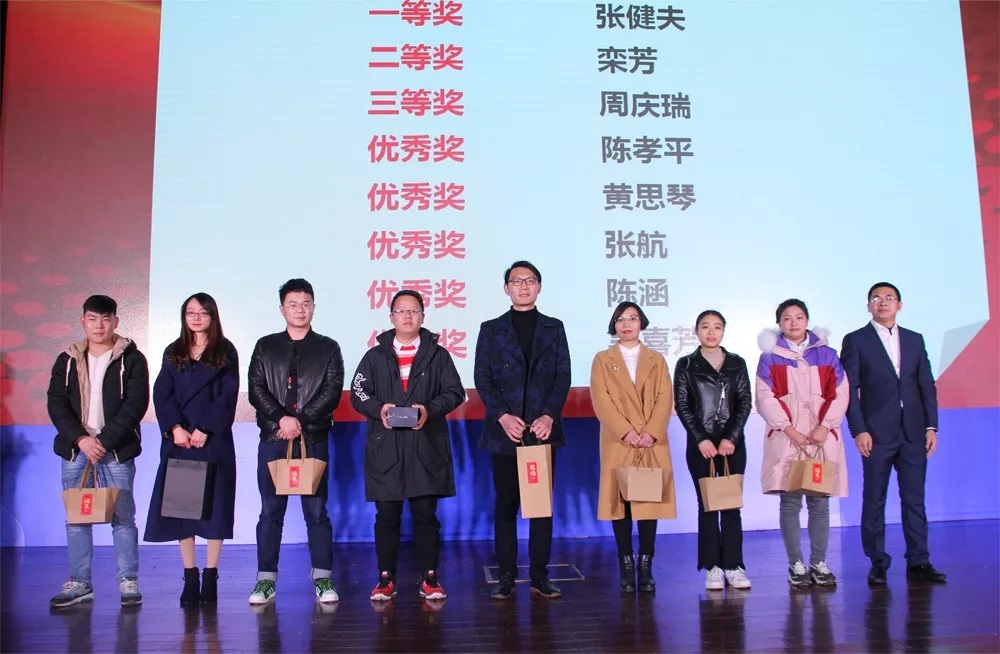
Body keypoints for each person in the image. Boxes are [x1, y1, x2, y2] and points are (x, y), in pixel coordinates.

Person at [351, 290, 466, 603]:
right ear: (391, 317)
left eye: (413, 311)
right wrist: (379, 409)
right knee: (387, 515)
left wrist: (429, 409)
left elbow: (454, 393)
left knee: (425, 515)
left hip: (424, 445)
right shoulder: (374, 357)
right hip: (386, 446)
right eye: (401, 311)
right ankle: (385, 578)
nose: (407, 316)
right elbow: (358, 393)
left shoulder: (438, 355)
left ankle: (429, 576)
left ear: (422, 317)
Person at [473, 260, 571, 600]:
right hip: (505, 432)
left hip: (541, 432)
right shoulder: (491, 329)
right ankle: (506, 575)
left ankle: (540, 575)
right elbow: (482, 377)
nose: (523, 286)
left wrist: (549, 416)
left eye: (530, 280)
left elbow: (563, 376)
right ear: (506, 288)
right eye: (516, 281)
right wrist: (502, 415)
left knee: (540, 506)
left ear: (539, 286)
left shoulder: (554, 328)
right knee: (506, 505)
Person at [47, 295, 150, 609]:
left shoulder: (132, 358)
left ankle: (128, 580)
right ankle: (80, 582)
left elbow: (136, 404)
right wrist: (81, 439)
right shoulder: (67, 359)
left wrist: (103, 440)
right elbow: (56, 403)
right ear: (83, 321)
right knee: (77, 518)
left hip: (115, 450)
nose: (99, 326)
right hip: (76, 450)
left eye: (106, 319)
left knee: (123, 517)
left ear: (116, 321)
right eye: (93, 319)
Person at [840, 282, 946, 586]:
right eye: (877, 298)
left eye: (889, 298)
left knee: (915, 499)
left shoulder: (914, 339)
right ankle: (878, 560)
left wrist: (931, 426)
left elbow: (925, 384)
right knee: (874, 498)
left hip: (913, 431)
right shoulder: (856, 340)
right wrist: (859, 429)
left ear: (899, 305)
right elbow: (850, 389)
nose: (883, 302)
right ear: (868, 306)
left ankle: (919, 560)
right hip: (876, 433)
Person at [247, 278, 344, 605]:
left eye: (305, 304)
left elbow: (332, 392)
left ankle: (322, 578)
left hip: (312, 438)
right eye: (293, 304)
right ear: (282, 309)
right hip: (274, 438)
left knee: (316, 512)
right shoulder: (265, 346)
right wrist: (281, 419)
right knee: (270, 512)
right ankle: (265, 580)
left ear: (313, 308)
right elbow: (256, 388)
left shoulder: (329, 347)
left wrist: (299, 421)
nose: (300, 310)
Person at [143, 293, 240, 607]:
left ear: (213, 316)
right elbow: (162, 393)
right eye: (190, 312)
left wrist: (205, 428)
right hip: (181, 441)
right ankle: (190, 575)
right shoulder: (174, 351)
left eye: (202, 312)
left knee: (215, 510)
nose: (196, 318)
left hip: (213, 441)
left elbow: (228, 395)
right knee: (182, 511)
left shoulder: (225, 350)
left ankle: (211, 574)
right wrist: (175, 428)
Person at [755, 299, 848, 587]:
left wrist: (824, 427)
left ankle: (819, 562)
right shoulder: (770, 357)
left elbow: (840, 393)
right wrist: (789, 429)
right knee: (790, 502)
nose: (793, 322)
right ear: (779, 324)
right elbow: (765, 397)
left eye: (799, 317)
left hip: (820, 439)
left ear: (807, 320)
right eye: (787, 318)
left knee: (820, 501)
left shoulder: (828, 354)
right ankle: (795, 563)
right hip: (788, 440)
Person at [590, 301, 675, 594]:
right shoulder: (603, 359)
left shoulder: (656, 359)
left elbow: (665, 397)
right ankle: (626, 565)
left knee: (648, 502)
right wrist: (626, 431)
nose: (627, 324)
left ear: (642, 323)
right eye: (621, 319)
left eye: (633, 318)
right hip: (619, 440)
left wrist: (650, 432)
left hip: (650, 441)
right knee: (621, 504)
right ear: (614, 325)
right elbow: (601, 400)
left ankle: (645, 565)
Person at [674, 310, 752, 591]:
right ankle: (712, 568)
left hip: (733, 445)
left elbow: (744, 402)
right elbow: (682, 405)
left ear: (723, 331)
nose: (711, 332)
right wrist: (701, 439)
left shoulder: (737, 362)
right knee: (707, 505)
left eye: (717, 327)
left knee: (730, 505)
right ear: (696, 331)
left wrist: (731, 437)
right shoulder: (686, 364)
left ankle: (733, 565)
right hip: (701, 446)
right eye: (705, 326)